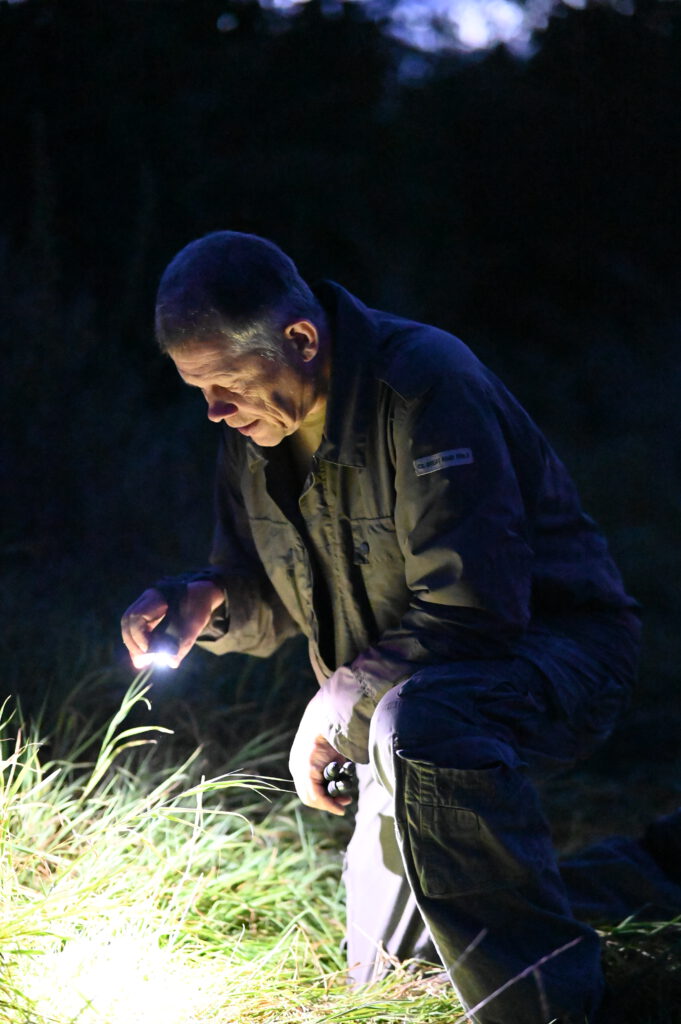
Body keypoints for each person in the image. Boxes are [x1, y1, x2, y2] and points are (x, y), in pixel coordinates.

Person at [121, 231, 662, 1023]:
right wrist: (205, 599)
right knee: (388, 986)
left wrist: (335, 708)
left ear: (300, 340)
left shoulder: (425, 385)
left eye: (224, 383)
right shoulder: (252, 431)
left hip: (555, 657)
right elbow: (264, 585)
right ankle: (650, 876)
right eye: (197, 389)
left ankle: (546, 1009)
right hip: (398, 707)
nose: (212, 410)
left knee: (419, 724)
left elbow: (474, 611)